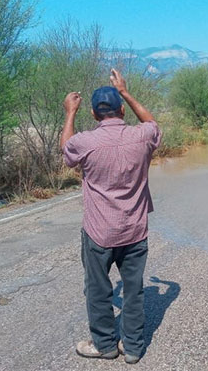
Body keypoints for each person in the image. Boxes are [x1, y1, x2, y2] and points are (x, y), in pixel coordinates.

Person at [60, 68, 161, 364]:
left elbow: (66, 150)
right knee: (133, 289)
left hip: (99, 232)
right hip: (135, 229)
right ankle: (133, 347)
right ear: (122, 110)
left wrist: (70, 113)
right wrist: (126, 92)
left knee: (98, 289)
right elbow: (152, 123)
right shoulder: (142, 136)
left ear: (93, 114)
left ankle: (104, 345)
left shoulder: (85, 142)